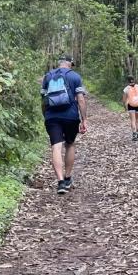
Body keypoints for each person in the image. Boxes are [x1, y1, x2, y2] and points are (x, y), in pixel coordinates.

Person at [41, 55, 88, 194]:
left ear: (59, 63)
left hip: (52, 116)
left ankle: (60, 182)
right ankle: (67, 178)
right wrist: (84, 119)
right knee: (70, 144)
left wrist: (46, 116)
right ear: (70, 64)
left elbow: (43, 100)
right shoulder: (75, 76)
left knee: (56, 147)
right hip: (70, 116)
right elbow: (80, 99)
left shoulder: (48, 76)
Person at [122, 76, 138, 140]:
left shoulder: (126, 89)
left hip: (131, 105)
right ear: (134, 80)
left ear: (128, 81)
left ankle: (134, 134)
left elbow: (124, 99)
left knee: (133, 120)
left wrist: (124, 106)